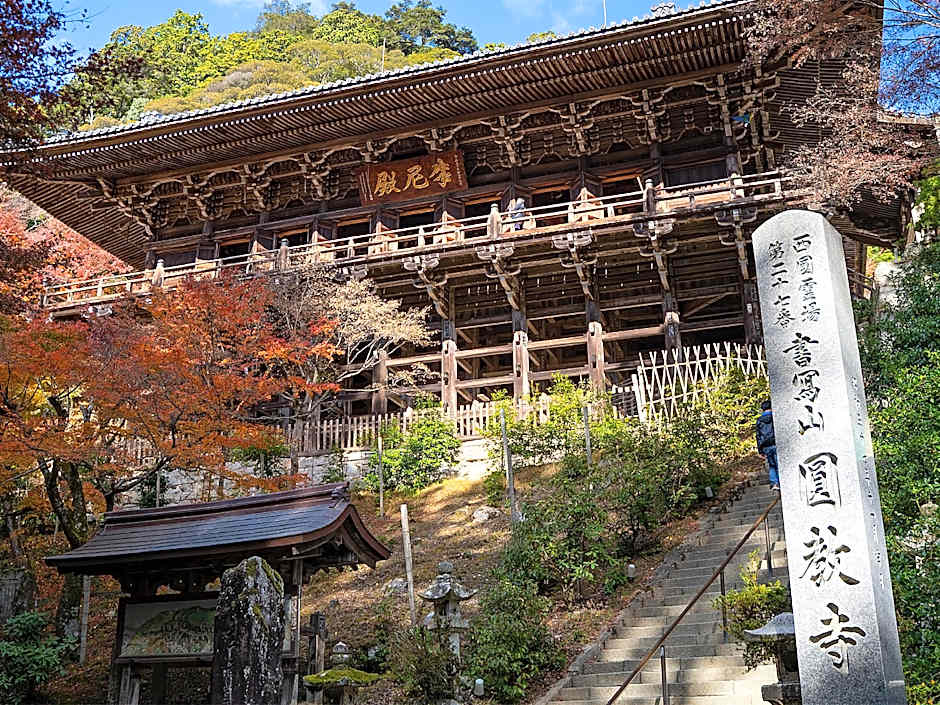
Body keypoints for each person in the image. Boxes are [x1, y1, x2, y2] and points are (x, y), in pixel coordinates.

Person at [755, 399, 779, 491]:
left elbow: (758, 435)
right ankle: (782, 481)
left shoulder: (759, 420)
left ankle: (774, 483)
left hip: (766, 446)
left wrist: (760, 450)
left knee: (772, 465)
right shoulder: (775, 417)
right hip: (775, 443)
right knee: (778, 464)